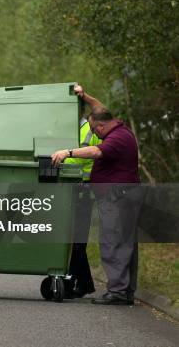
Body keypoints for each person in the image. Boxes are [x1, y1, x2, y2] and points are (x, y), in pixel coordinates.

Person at [51, 84, 142, 305]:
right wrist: (85, 96)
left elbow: (95, 152)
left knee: (113, 243)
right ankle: (125, 292)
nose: (94, 134)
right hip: (125, 194)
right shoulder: (120, 128)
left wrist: (67, 152)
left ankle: (118, 293)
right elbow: (101, 109)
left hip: (116, 196)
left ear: (101, 126)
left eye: (95, 130)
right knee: (126, 244)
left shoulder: (117, 138)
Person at [63, 99, 102, 298]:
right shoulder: (71, 129)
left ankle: (73, 283)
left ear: (78, 111)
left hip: (84, 190)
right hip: (74, 189)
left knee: (77, 240)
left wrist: (58, 158)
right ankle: (84, 283)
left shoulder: (87, 129)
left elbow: (79, 157)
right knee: (74, 239)